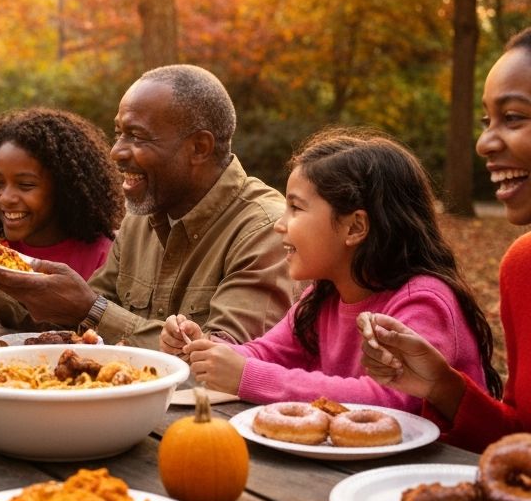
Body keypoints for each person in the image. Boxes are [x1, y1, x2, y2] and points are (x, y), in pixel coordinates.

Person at [0, 65, 294, 347]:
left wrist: (92, 311)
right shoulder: (142, 218)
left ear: (199, 148)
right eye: (119, 132)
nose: (117, 151)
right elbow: (69, 319)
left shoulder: (265, 229)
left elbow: (223, 361)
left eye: (136, 136)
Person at [162, 128, 500, 410]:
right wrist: (203, 350)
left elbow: (392, 400)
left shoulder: (422, 301)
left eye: (295, 208)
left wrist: (247, 376)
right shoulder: (323, 296)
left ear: (354, 228)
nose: (280, 225)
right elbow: (266, 354)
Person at [359, 29, 531, 449]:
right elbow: (519, 441)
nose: (484, 142)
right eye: (487, 121)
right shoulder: (522, 266)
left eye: (513, 118)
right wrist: (441, 386)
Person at [0, 108, 123, 330]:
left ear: (66, 189)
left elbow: (82, 335)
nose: (6, 198)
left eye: (26, 185)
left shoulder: (105, 256)